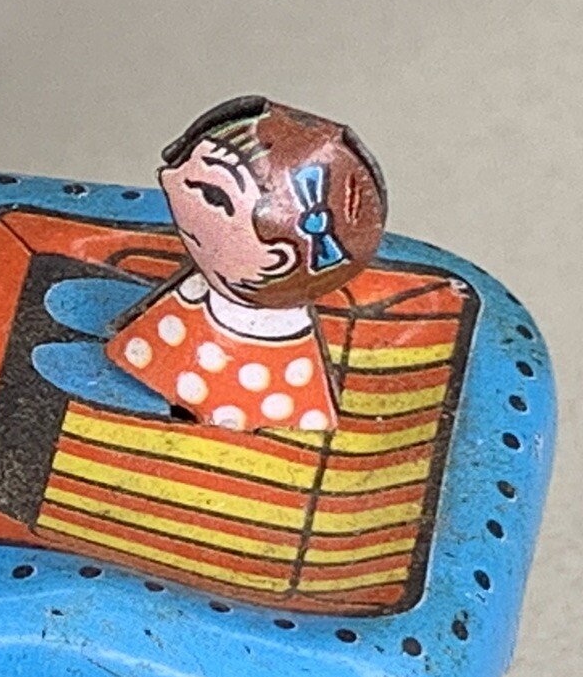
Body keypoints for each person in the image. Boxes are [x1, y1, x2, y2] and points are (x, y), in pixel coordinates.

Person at [105, 96, 387, 433]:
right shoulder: (192, 296)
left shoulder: (281, 362)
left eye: (213, 196)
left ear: (277, 261)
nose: (169, 179)